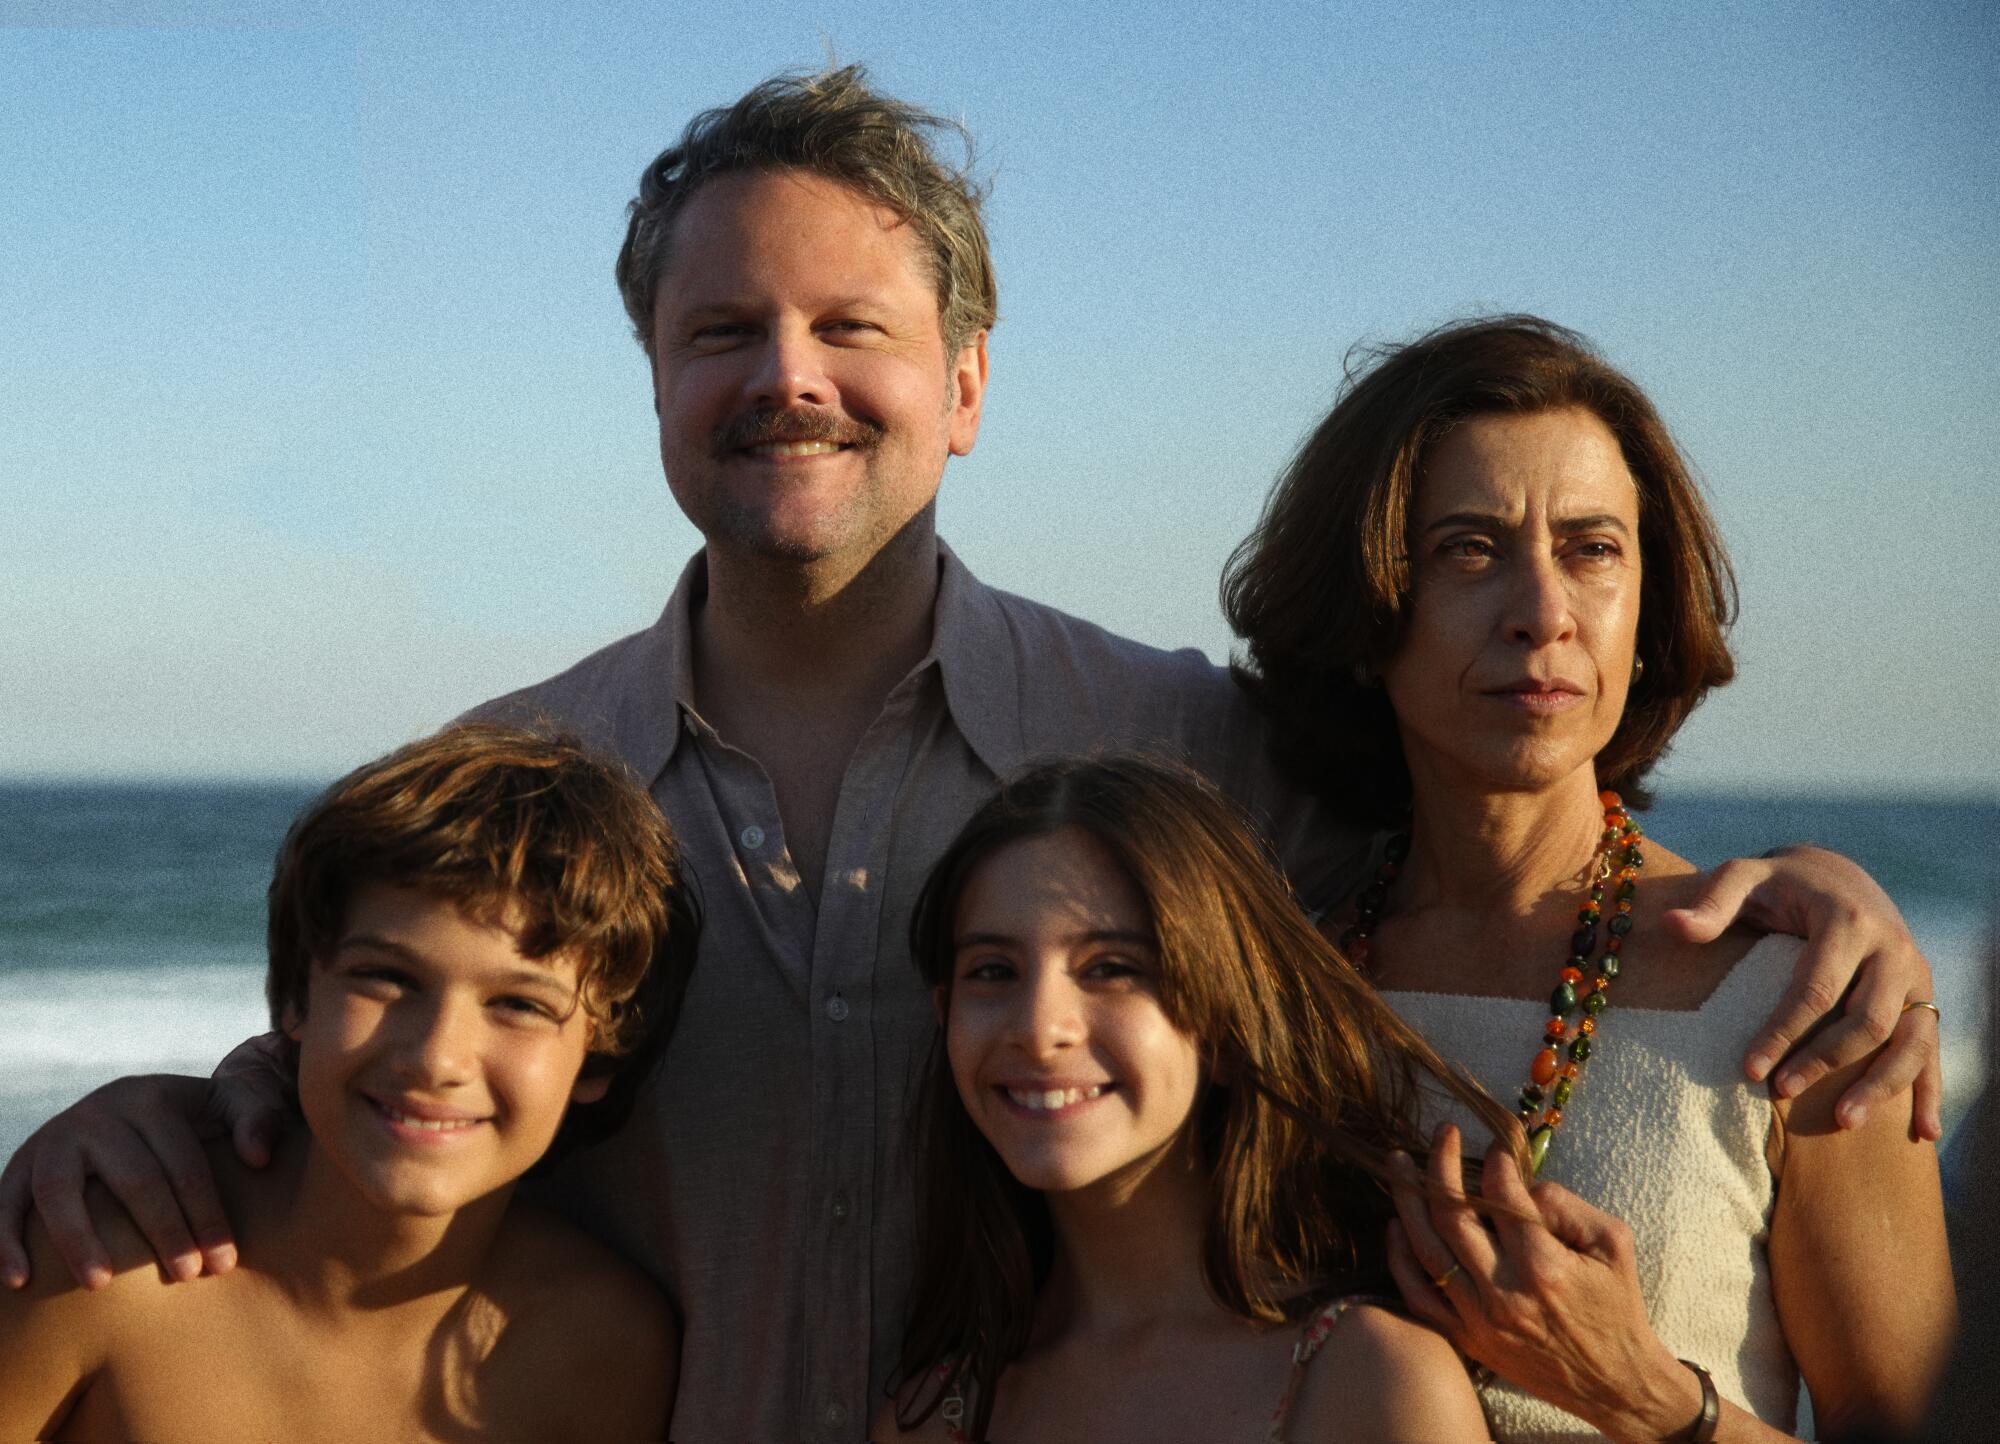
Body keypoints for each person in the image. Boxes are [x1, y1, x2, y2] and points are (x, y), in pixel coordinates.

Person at [0, 70, 1942, 1441]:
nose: (788, 374)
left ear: (969, 381)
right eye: (720, 328)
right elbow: (392, 1063)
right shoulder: (519, 781)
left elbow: (1501, 819)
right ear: (656, 378)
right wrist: (178, 1102)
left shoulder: (1191, 751)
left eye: (854, 322)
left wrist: (1827, 898)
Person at [1223, 315, 1956, 1440]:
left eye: (1591, 548)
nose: (1543, 612)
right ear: (1365, 603)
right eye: (1466, 549)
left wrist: (1646, 1396)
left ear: (1643, 603)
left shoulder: (1799, 996)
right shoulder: (1283, 992)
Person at [0, 723, 696, 1442]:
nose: (436, 1058)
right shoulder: (99, 1261)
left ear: (603, 1055)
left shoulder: (606, 1348)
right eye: (387, 978)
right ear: (298, 995)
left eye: (518, 1004)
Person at [875, 756, 1500, 1443]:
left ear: (1228, 1030)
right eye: (993, 971)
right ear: (946, 1012)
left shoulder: (1368, 1381)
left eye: (1112, 968)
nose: (1038, 1027)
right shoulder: (939, 1418)